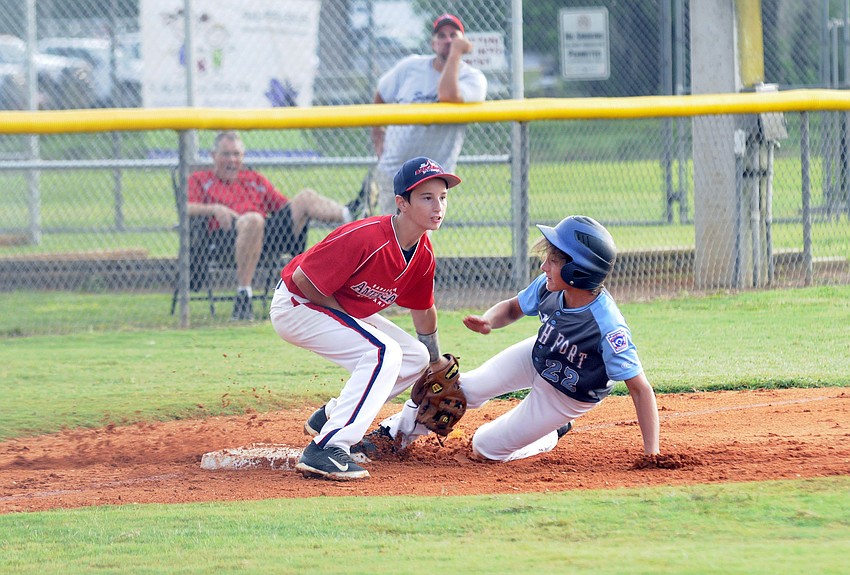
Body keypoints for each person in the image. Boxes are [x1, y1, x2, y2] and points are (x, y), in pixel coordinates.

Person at [363, 215, 660, 463]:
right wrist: (489, 321)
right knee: (457, 388)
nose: (544, 266)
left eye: (554, 261)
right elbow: (513, 308)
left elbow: (640, 389)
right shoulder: (551, 287)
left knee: (485, 447)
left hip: (568, 393)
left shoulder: (607, 327)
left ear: (578, 271)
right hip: (539, 354)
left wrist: (652, 454)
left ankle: (548, 434)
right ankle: (394, 435)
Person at [269, 156, 461, 480]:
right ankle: (327, 447)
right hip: (297, 305)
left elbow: (424, 310)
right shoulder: (367, 237)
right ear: (402, 202)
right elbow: (304, 281)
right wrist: (350, 321)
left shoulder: (423, 253)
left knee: (413, 358)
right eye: (427, 198)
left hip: (330, 307)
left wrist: (435, 360)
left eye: (442, 198)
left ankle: (331, 416)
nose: (438, 206)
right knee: (384, 352)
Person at [188, 131, 362, 321]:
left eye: (236, 154)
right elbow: (185, 207)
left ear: (243, 157)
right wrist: (213, 208)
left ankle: (350, 215)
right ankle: (243, 294)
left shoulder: (253, 179)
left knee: (305, 197)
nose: (232, 159)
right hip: (226, 238)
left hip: (268, 238)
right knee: (253, 219)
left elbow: (284, 207)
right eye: (226, 154)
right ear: (214, 156)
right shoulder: (200, 179)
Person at [367, 12, 487, 215]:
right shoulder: (411, 66)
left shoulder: (473, 78)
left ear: (463, 41)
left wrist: (456, 54)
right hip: (394, 170)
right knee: (394, 234)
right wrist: (378, 132)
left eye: (453, 35)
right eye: (441, 35)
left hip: (432, 177)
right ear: (433, 43)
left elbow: (447, 94)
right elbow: (381, 93)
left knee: (419, 237)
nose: (448, 40)